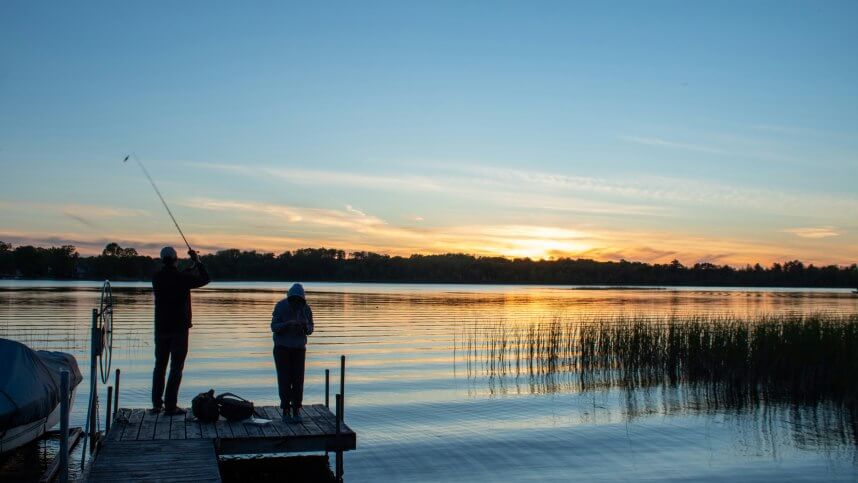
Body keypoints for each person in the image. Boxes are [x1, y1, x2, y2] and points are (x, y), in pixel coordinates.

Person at [151, 246, 210, 415]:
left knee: (159, 366)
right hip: (179, 329)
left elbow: (175, 276)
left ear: (162, 260)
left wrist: (190, 268)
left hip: (161, 328)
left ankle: (156, 405)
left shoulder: (157, 277)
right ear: (176, 259)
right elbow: (205, 278)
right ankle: (170, 406)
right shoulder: (182, 278)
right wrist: (197, 262)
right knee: (176, 368)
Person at [271, 283, 314, 422]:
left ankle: (296, 410)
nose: (296, 302)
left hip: (299, 349)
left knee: (298, 380)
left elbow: (311, 328)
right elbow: (273, 326)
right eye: (294, 299)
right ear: (290, 298)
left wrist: (304, 327)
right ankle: (285, 410)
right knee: (284, 380)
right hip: (282, 348)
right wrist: (287, 324)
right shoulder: (280, 306)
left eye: (299, 299)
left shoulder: (306, 309)